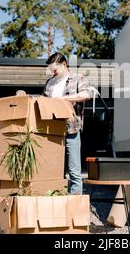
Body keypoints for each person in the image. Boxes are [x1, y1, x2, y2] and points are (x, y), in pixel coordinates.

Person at [43, 53, 93, 195]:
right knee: (54, 169)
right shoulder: (50, 83)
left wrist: (63, 99)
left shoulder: (78, 78)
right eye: (51, 70)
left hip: (71, 129)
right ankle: (57, 198)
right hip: (51, 130)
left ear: (64, 64)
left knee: (74, 170)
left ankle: (74, 204)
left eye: (55, 70)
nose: (53, 73)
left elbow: (87, 95)